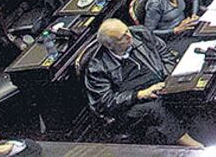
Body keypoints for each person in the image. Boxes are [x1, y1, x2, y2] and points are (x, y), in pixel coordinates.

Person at [84, 19, 202, 147]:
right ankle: (193, 146)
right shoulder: (97, 67)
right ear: (109, 45)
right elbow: (104, 102)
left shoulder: (141, 34)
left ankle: (206, 130)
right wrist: (140, 94)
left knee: (192, 90)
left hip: (159, 84)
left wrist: (169, 79)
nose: (129, 37)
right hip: (129, 106)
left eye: (127, 31)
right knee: (154, 108)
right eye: (122, 37)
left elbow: (165, 54)